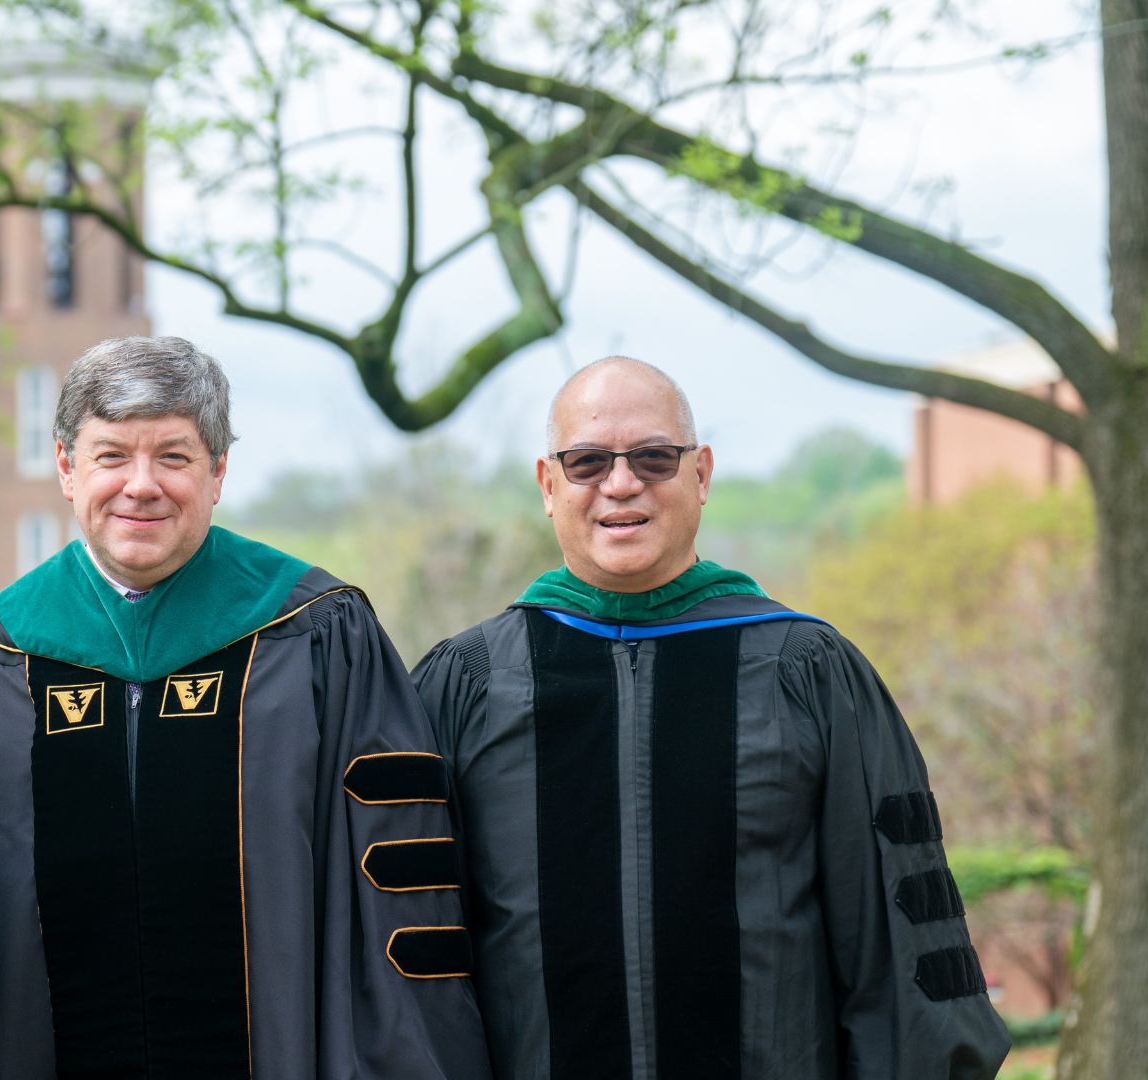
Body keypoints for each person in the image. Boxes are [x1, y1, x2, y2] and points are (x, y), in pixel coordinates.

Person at [413, 356, 1012, 1079]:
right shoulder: (470, 685)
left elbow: (899, 950)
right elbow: (418, 972)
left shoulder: (809, 672)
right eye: (588, 461)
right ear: (548, 484)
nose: (621, 482)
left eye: (654, 458)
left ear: (701, 474)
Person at [0, 336, 490, 1078]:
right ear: (66, 468)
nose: (141, 485)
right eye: (111, 456)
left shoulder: (318, 635)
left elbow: (400, 901)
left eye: (175, 457)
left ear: (218, 471)